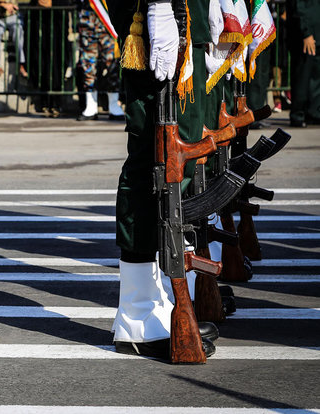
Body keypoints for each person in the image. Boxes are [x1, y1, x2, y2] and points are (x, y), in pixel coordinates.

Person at [107, 0, 220, 359]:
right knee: (151, 160)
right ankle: (137, 312)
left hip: (185, 13)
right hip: (157, 11)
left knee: (180, 161)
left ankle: (160, 297)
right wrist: (157, 5)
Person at [75, 0, 123, 121]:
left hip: (108, 22)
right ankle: (91, 105)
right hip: (87, 22)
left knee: (112, 64)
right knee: (88, 64)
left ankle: (114, 105)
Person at [286, 0, 320, 128]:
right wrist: (306, 33)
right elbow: (299, 8)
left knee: (316, 77)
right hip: (305, 36)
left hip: (317, 33)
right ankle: (297, 114)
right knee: (302, 77)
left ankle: (314, 113)